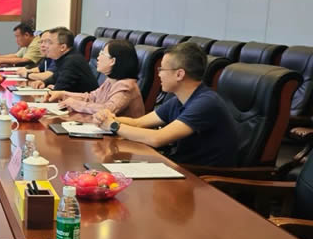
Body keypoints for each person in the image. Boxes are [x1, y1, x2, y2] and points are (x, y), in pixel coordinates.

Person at [94, 42, 238, 167]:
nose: (159, 74)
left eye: (162, 69)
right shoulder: (178, 100)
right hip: (178, 166)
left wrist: (113, 125)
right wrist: (109, 118)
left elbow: (158, 138)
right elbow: (138, 123)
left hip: (200, 177)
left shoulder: (206, 102)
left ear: (179, 74)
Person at [49, 40, 144, 121]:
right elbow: (92, 97)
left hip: (123, 135)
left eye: (102, 54)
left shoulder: (126, 86)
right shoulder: (111, 80)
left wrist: (75, 103)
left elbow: (108, 109)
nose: (98, 58)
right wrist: (62, 94)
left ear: (113, 61)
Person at [30, 27, 98, 94]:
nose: (46, 46)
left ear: (63, 47)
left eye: (50, 43)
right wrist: (44, 82)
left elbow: (58, 91)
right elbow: (56, 76)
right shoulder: (65, 58)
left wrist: (53, 88)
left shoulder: (72, 62)